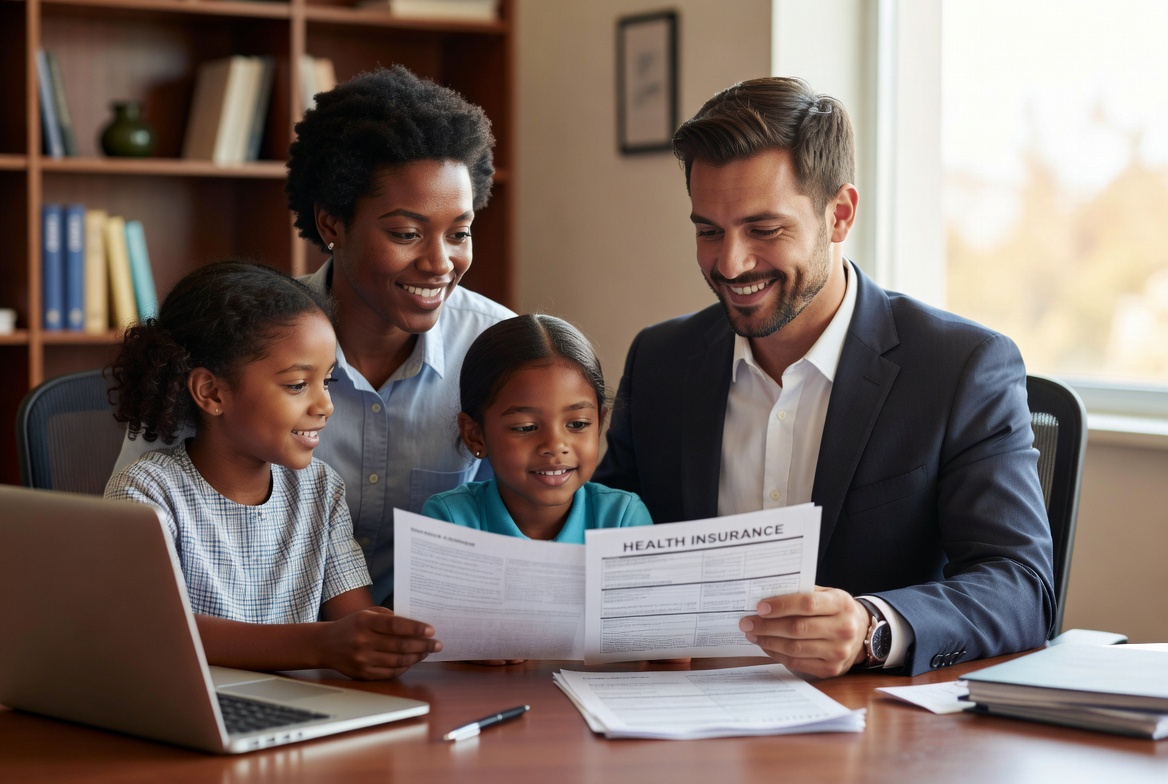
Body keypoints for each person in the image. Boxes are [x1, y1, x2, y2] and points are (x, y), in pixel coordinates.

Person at [594, 76, 1055, 678]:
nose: (730, 263)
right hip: (679, 716)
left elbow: (1021, 586)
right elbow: (598, 536)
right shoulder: (660, 359)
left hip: (868, 729)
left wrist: (872, 626)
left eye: (764, 230)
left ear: (839, 215)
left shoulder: (961, 368)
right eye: (708, 230)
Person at [112, 66, 515, 605]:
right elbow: (126, 561)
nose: (440, 263)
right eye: (406, 234)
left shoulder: (498, 351)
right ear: (331, 224)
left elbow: (531, 515)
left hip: (424, 651)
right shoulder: (239, 337)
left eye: (460, 233)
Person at [105, 262, 441, 679]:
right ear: (211, 392)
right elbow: (154, 631)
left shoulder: (320, 488)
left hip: (297, 712)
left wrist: (397, 641)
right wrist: (321, 644)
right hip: (189, 707)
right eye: (298, 385)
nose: (325, 406)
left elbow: (357, 621)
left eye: (328, 382)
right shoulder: (146, 492)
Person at [423, 314, 652, 542]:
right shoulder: (449, 521)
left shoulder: (621, 520)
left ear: (599, 424)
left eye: (578, 424)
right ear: (475, 435)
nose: (555, 445)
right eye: (526, 427)